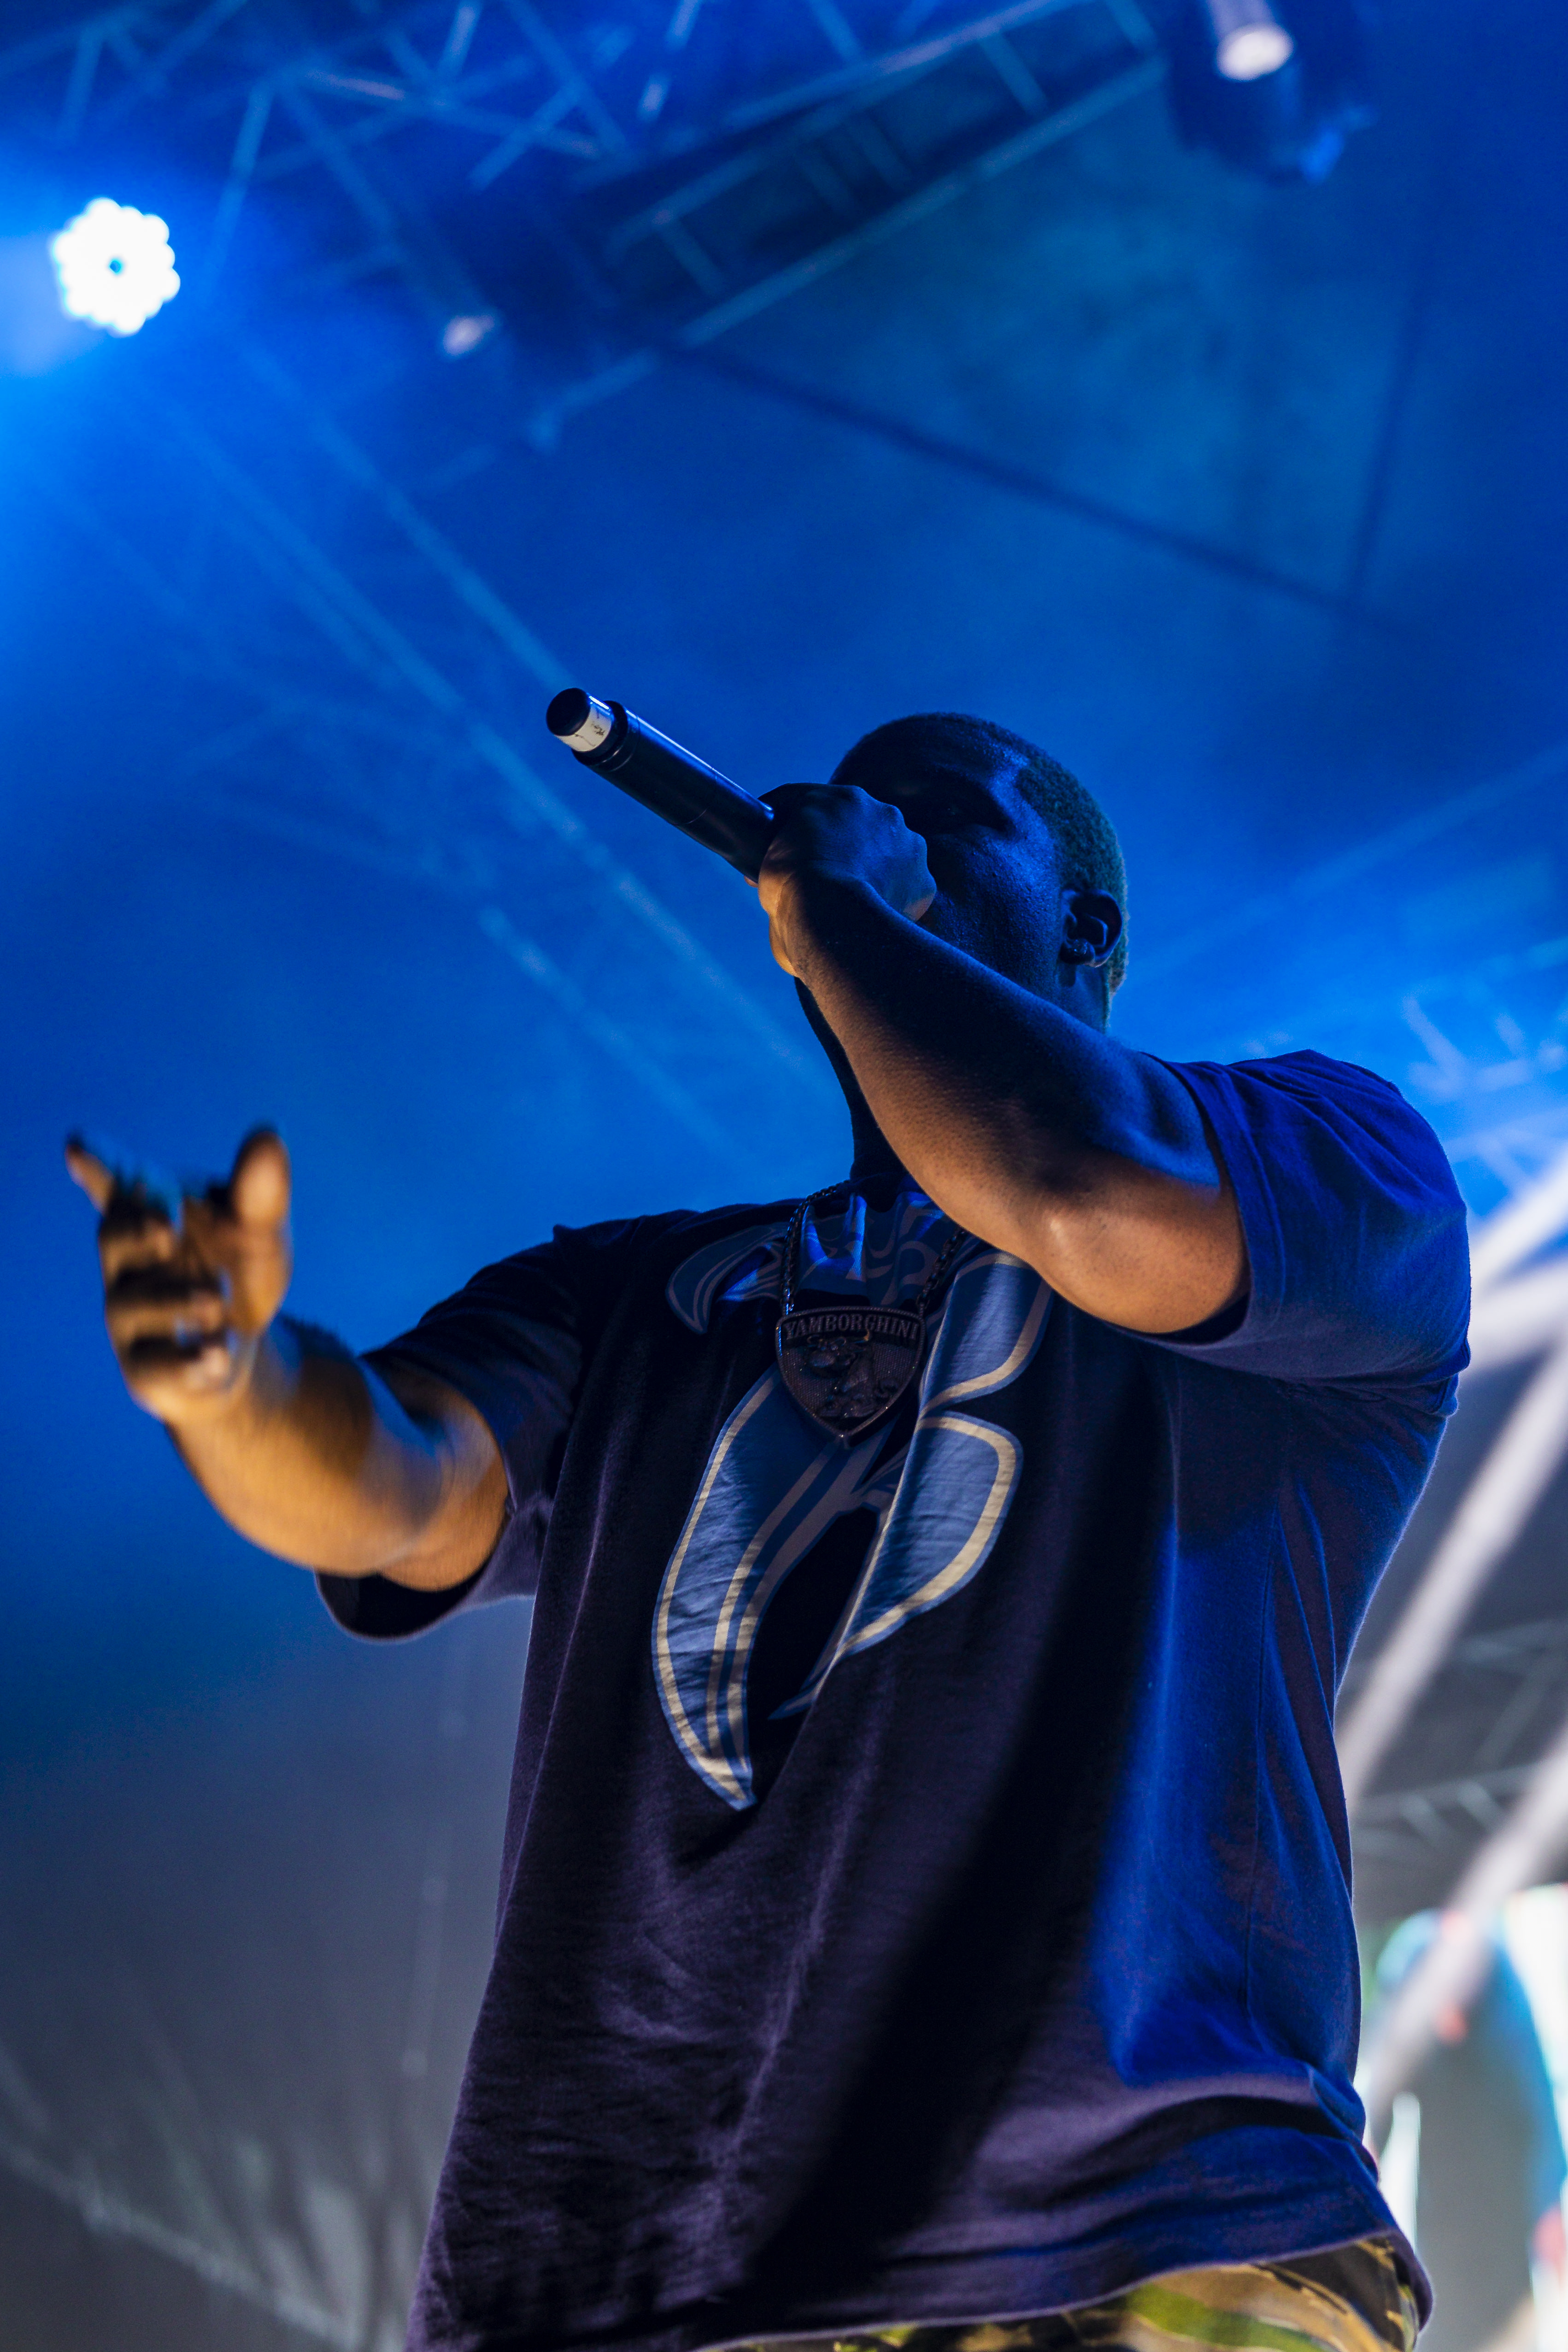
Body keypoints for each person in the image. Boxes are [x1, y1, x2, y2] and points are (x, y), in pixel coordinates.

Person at [70, 713, 1469, 2352]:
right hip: (614, 2275)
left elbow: (1075, 1180)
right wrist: (234, 1387)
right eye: (856, 806)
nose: (867, 824)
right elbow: (398, 1487)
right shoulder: (617, 1292)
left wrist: (850, 906)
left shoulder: (1329, 1154)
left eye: (938, 815)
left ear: (1086, 925)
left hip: (1127, 2237)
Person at [1373, 1915, 1567, 2352]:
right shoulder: (1408, 1968)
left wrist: (1548, 2210)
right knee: (1443, 2324)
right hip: (1441, 2201)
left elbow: (1538, 2109)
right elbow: (1382, 2092)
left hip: (1503, 2202)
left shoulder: (1504, 1988)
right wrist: (1366, 2165)